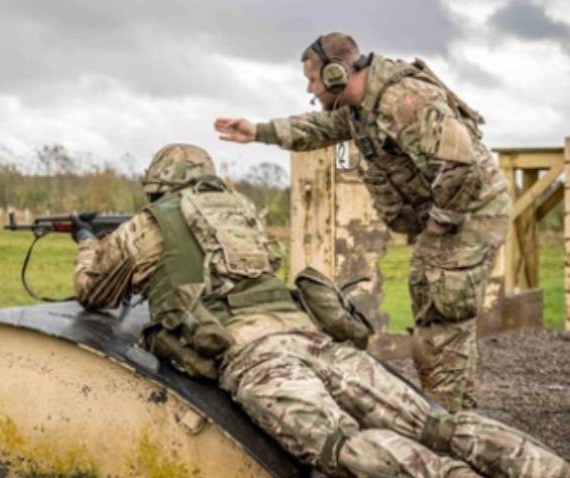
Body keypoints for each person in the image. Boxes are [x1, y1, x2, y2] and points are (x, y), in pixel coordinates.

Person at [72, 143, 567, 478]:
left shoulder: (146, 225)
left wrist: (88, 243)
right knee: (436, 424)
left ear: (157, 187)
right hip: (311, 336)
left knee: (341, 447)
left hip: (254, 357)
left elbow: (93, 292)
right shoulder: (241, 212)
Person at [214, 32, 511, 413]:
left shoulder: (404, 100)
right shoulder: (360, 107)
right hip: (450, 212)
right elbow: (320, 129)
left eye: (312, 80)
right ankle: (448, 412)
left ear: (336, 74)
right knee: (433, 305)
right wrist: (258, 131)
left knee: (442, 311)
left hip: (470, 211)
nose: (309, 88)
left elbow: (459, 165)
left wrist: (439, 223)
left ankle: (451, 420)